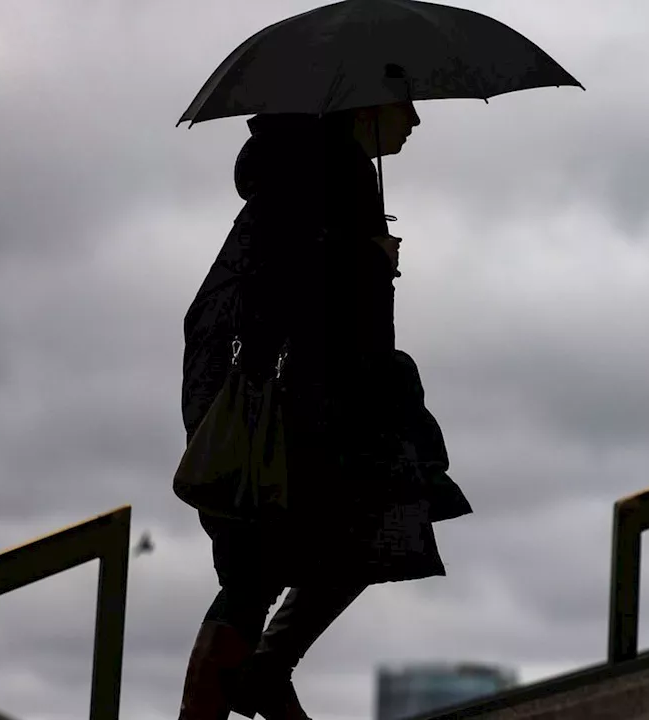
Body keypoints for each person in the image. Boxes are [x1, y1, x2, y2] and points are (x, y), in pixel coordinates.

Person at [177, 99, 473, 720]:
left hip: (265, 405)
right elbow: (306, 300)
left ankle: (264, 671)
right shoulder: (330, 175)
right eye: (406, 104)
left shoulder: (302, 173)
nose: (415, 121)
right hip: (290, 413)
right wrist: (371, 261)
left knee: (320, 548)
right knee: (287, 561)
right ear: (365, 107)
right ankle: (257, 676)